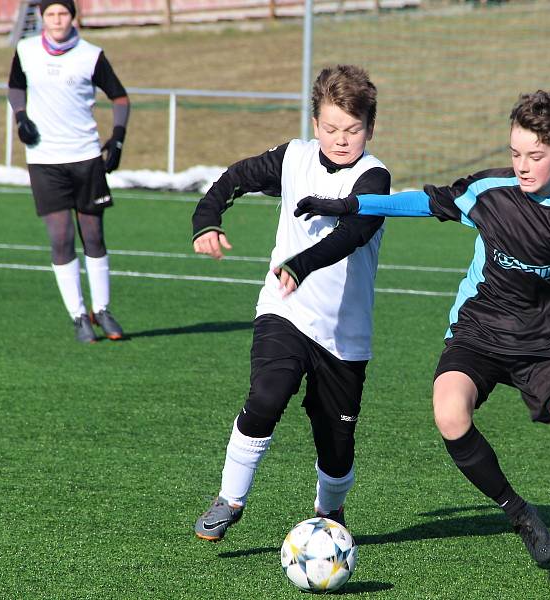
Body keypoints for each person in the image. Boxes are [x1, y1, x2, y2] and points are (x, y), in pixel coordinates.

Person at [294, 90, 550, 590]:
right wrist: (348, 203)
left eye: (536, 156)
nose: (524, 166)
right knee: (449, 413)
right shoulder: (490, 191)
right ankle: (518, 512)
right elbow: (423, 202)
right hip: (479, 331)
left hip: (544, 344)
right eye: (516, 154)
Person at [190, 65, 390, 542]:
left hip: (344, 335)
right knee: (267, 395)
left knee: (336, 444)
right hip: (285, 311)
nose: (341, 139)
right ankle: (230, 500)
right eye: (330, 128)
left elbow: (353, 234)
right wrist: (207, 217)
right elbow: (236, 177)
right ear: (315, 124)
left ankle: (329, 512)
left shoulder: (374, 177)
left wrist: (302, 263)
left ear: (370, 128)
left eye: (353, 129)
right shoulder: (294, 157)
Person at [7, 0, 129, 343]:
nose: (57, 20)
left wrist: (116, 140)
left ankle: (102, 309)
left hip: (86, 157)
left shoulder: (91, 54)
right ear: (42, 18)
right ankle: (78, 315)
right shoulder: (26, 50)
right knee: (61, 238)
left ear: (72, 17)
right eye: (51, 14)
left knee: (93, 236)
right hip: (45, 159)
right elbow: (15, 87)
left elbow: (120, 98)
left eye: (63, 13)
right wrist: (21, 117)